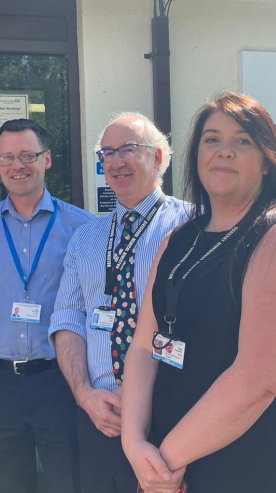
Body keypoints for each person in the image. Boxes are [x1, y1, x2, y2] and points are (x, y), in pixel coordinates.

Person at [120, 93, 276, 493]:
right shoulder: (178, 240)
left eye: (243, 141)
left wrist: (163, 465)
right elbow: (144, 346)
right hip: (172, 462)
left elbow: (258, 380)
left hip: (251, 466)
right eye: (212, 139)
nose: (224, 152)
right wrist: (134, 444)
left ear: (268, 160)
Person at [49, 113, 190, 493]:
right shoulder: (86, 238)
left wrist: (136, 397)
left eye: (129, 149)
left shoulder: (192, 228)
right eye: (107, 153)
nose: (115, 162)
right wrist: (85, 395)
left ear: (159, 157)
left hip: (167, 421)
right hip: (97, 418)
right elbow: (67, 319)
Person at [0, 118, 93, 493]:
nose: (17, 166)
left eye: (27, 155)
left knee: (69, 480)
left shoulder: (83, 228)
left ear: (47, 159)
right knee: (4, 482)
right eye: (7, 158)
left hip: (60, 381)